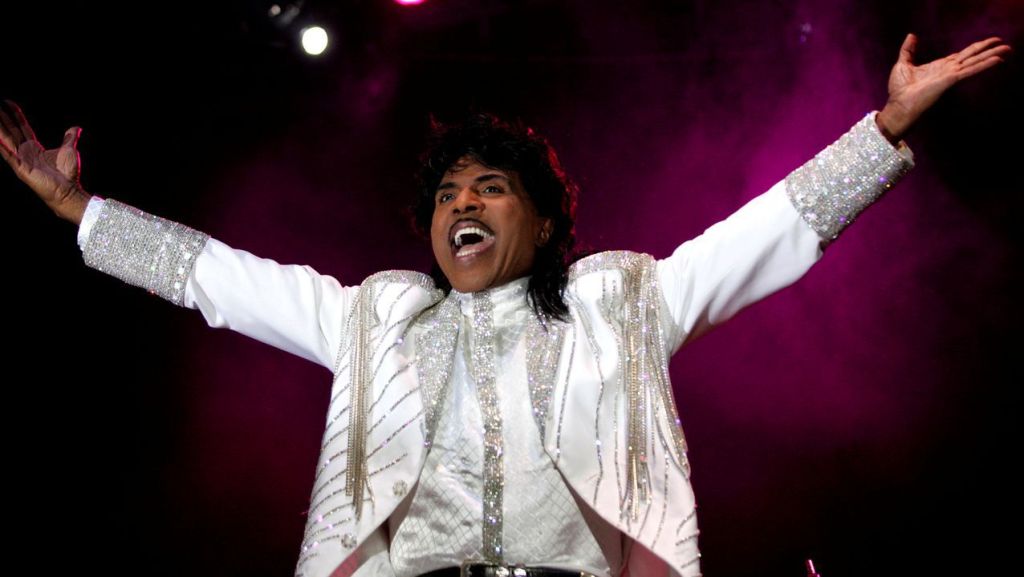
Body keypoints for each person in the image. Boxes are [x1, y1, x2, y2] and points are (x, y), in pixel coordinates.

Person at [0, 33, 1010, 577]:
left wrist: (882, 129)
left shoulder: (620, 302)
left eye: (489, 188)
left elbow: (763, 233)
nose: (463, 206)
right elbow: (220, 278)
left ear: (543, 218)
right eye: (447, 194)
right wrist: (82, 210)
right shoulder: (376, 316)